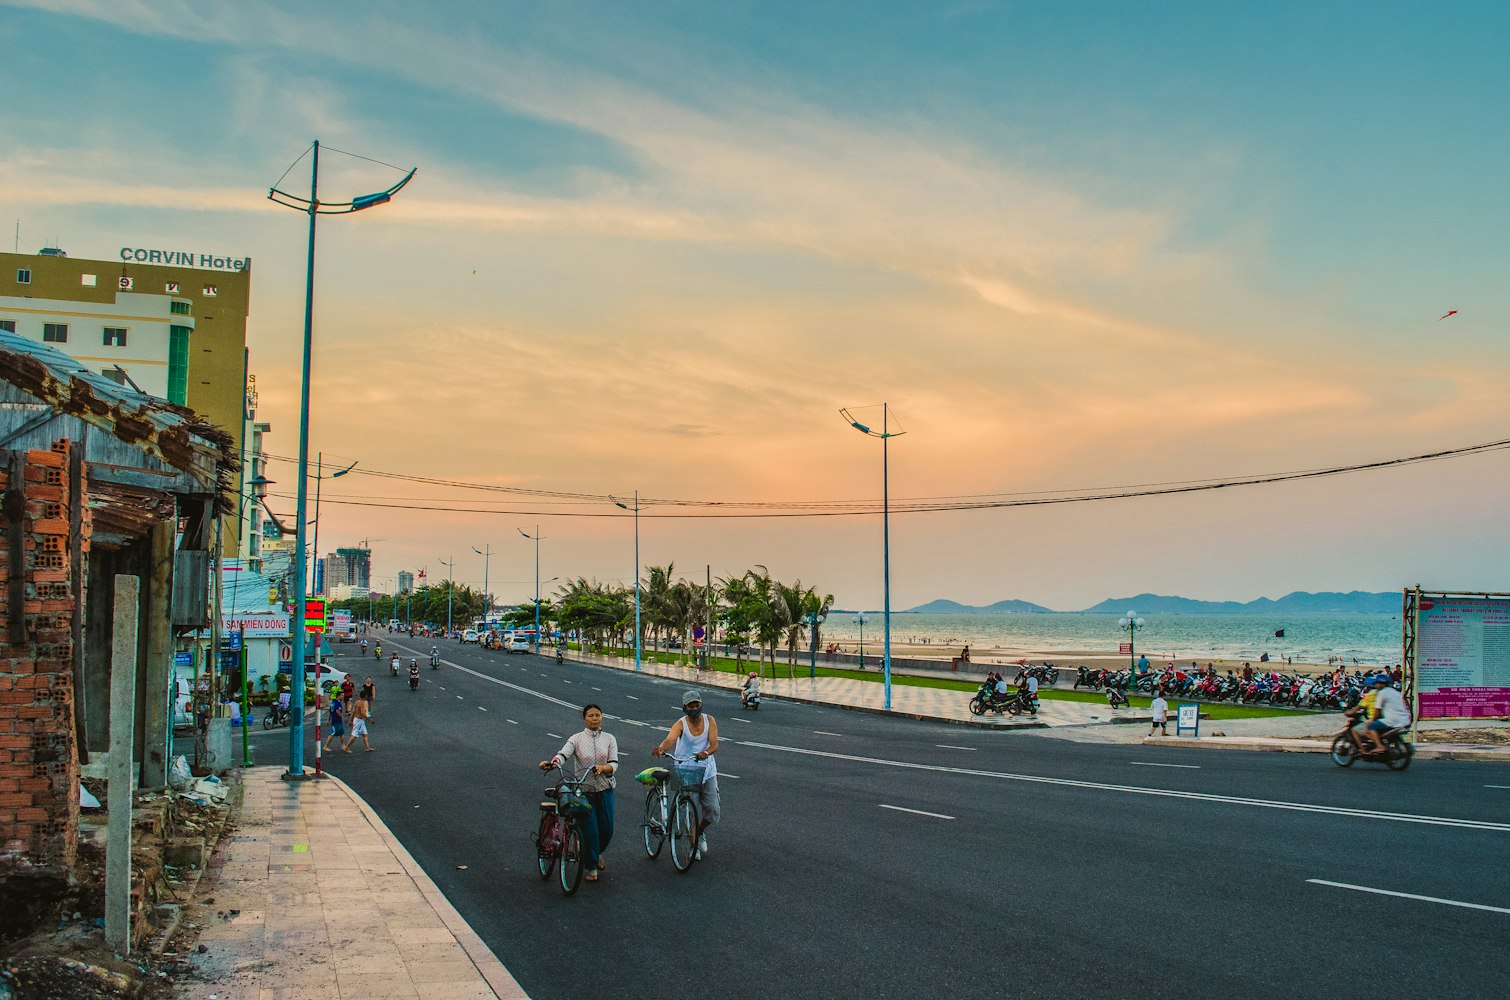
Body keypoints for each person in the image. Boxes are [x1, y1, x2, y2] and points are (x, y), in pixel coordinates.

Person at [539, 705, 619, 882]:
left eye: (597, 715)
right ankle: (591, 868)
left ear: (602, 718)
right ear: (584, 719)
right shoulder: (576, 739)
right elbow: (563, 754)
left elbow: (614, 763)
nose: (594, 718)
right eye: (590, 715)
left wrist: (604, 768)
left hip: (605, 789)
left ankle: (595, 853)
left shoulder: (609, 739)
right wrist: (553, 763)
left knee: (607, 829)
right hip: (583, 791)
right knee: (590, 830)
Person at [652, 690, 720, 860]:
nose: (694, 707)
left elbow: (714, 744)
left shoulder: (709, 720)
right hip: (686, 770)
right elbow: (670, 739)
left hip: (707, 770)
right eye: (691, 705)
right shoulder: (681, 723)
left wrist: (705, 753)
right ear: (684, 707)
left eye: (696, 704)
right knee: (690, 811)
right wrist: (661, 748)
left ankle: (699, 832)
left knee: (712, 809)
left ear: (701, 704)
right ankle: (693, 846)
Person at [1366, 674, 1410, 754]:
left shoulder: (1382, 693)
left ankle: (1380, 746)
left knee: (1371, 726)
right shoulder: (1395, 692)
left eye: (1377, 683)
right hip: (1405, 719)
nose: (1376, 685)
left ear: (1381, 684)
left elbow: (1377, 710)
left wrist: (1371, 720)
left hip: (1392, 720)